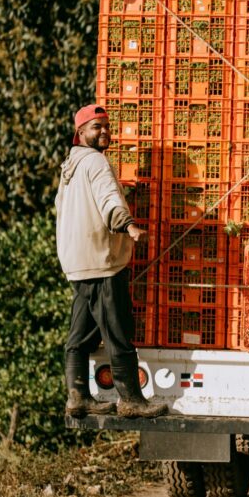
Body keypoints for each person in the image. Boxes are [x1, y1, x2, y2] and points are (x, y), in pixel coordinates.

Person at [56, 104, 167, 419]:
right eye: (96, 127)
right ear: (81, 132)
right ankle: (131, 399)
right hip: (102, 263)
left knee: (81, 333)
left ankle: (77, 397)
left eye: (106, 125)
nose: (104, 131)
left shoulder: (71, 166)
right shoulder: (96, 162)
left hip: (78, 263)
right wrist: (128, 225)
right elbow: (108, 201)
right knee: (117, 330)